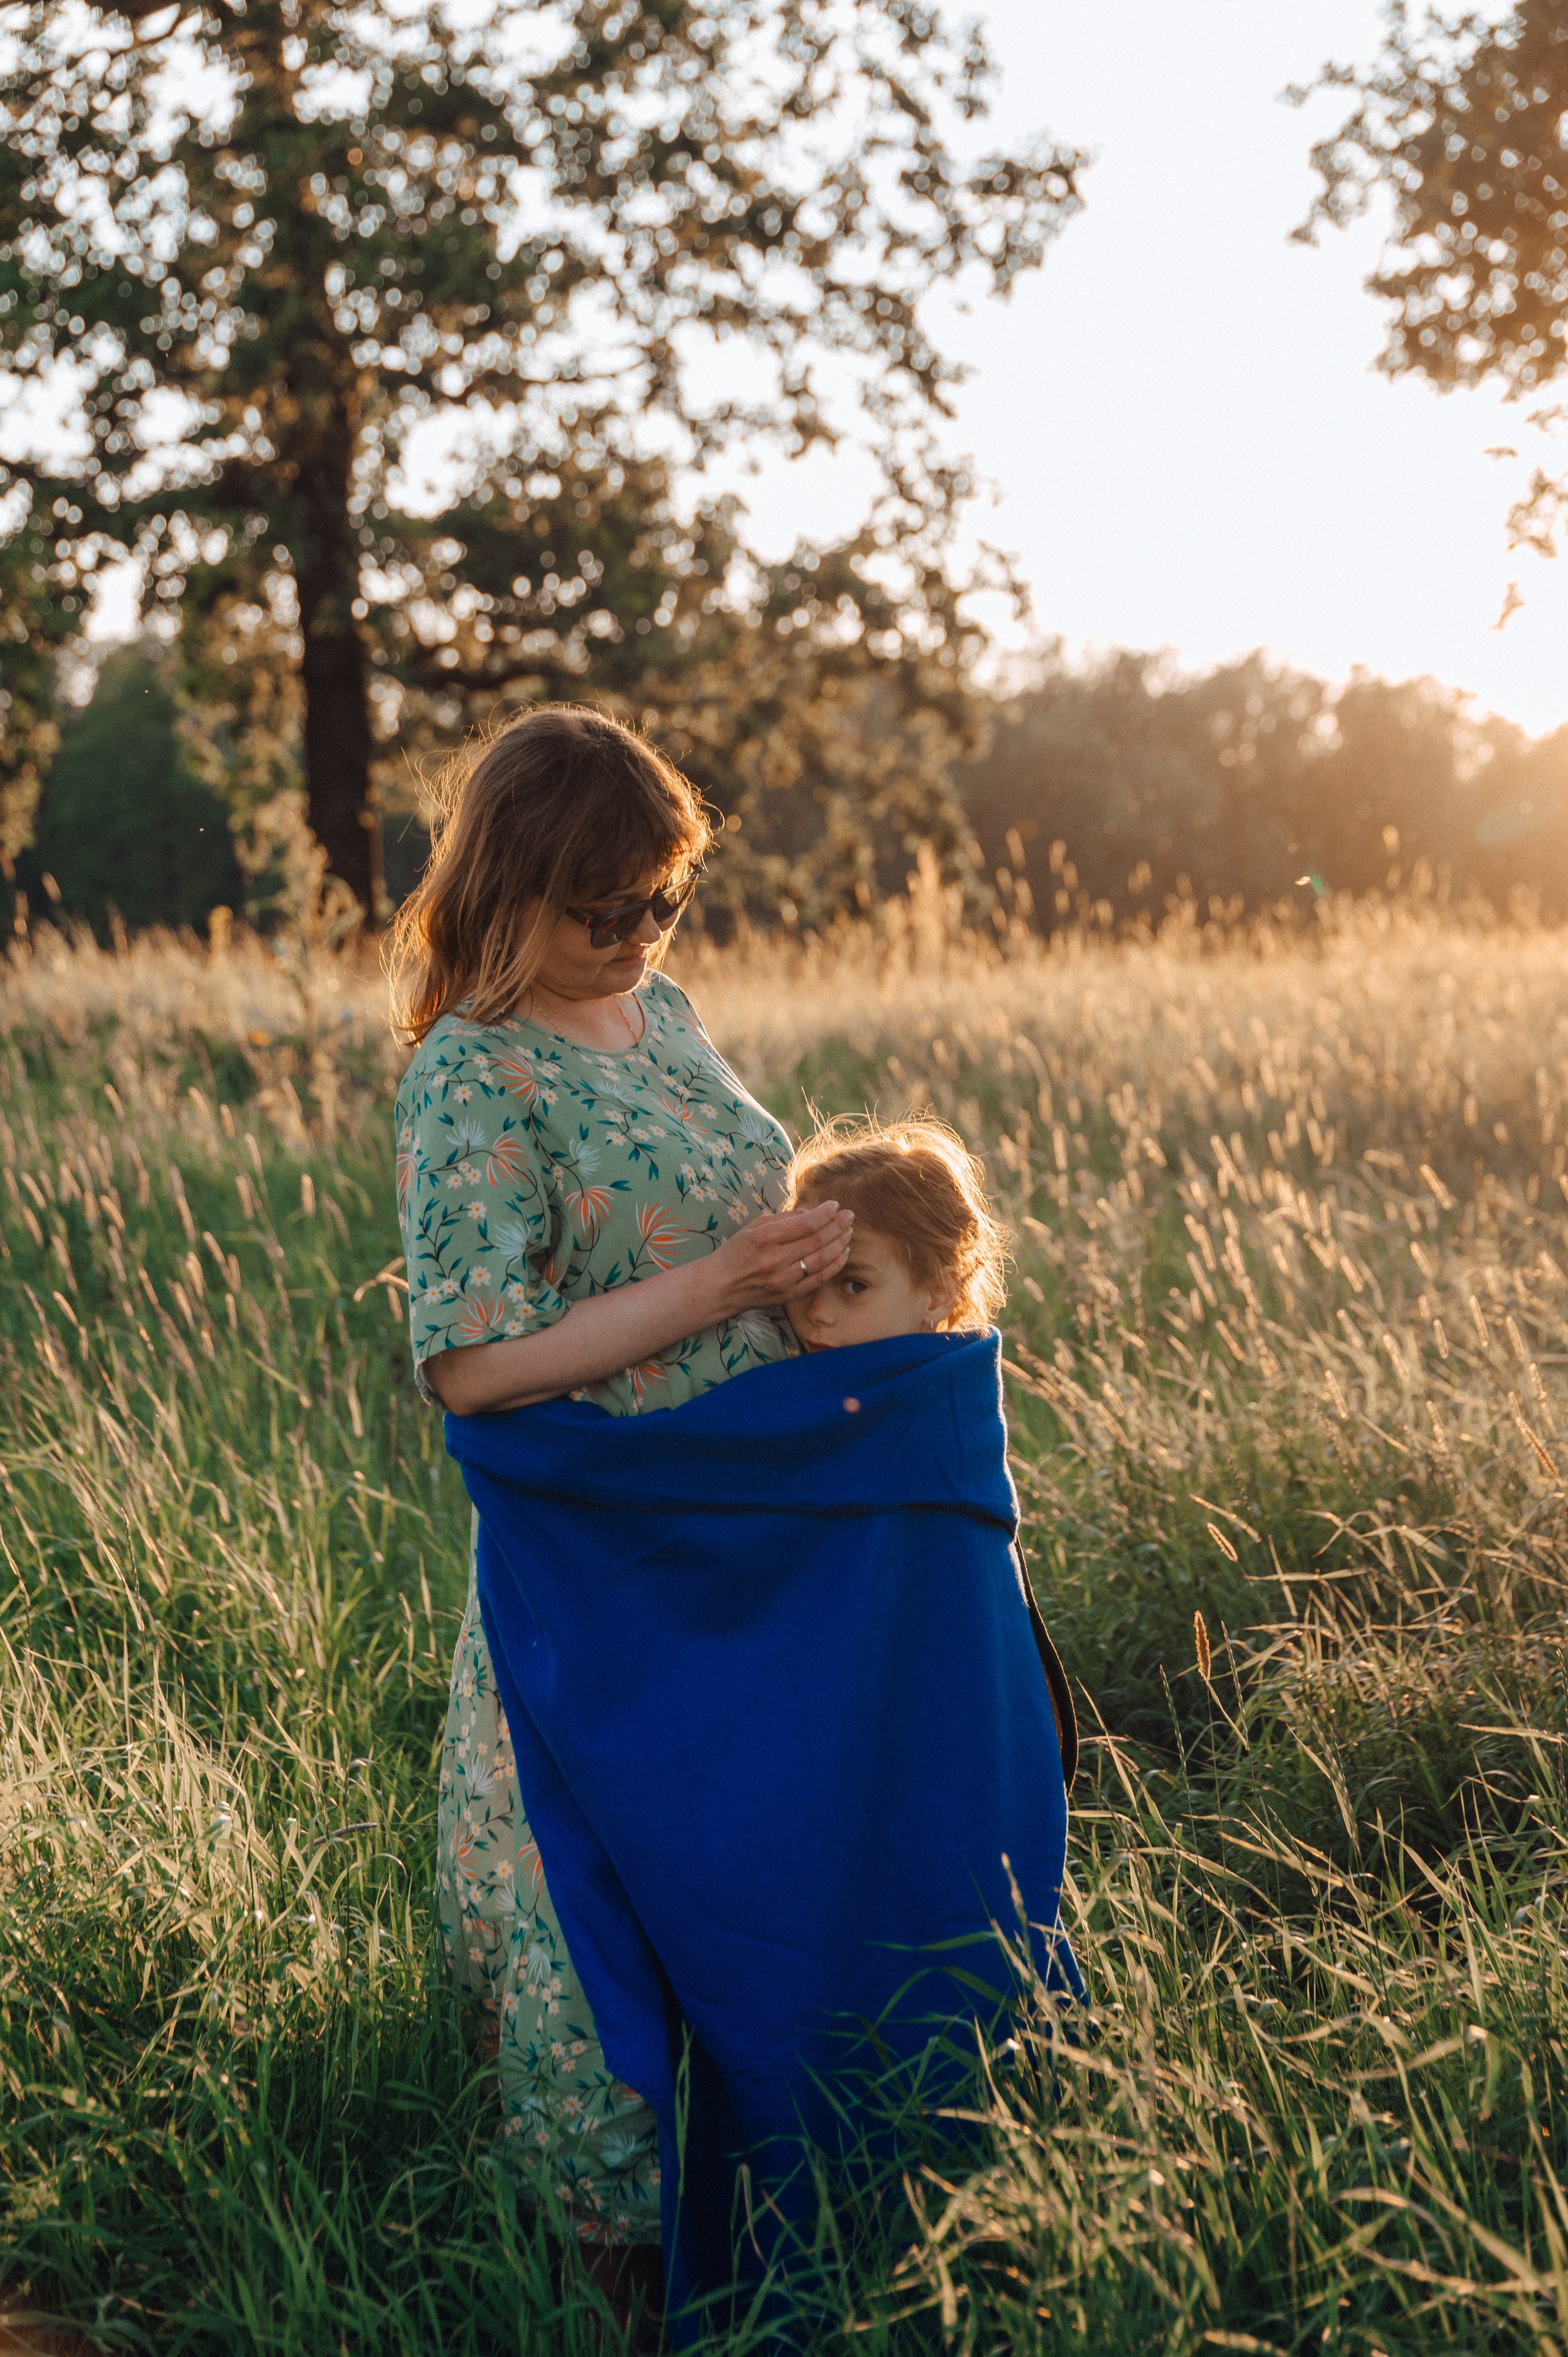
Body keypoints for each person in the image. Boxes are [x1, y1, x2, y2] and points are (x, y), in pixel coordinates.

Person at [387, 704, 853, 2289]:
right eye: (608, 909)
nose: (642, 934)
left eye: (665, 899)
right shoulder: (473, 1072)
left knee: (749, 1864)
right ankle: (620, 2270)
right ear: (510, 885)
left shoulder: (662, 1016)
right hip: (608, 1550)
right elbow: (474, 1363)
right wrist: (727, 1277)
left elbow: (705, 1217)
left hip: (750, 1530)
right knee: (604, 1894)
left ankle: (788, 2192)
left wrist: (807, 1263)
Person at [782, 1117, 1008, 1351]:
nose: (817, 1312)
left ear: (938, 1295)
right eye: (804, 1276)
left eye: (854, 1286)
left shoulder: (934, 1388)